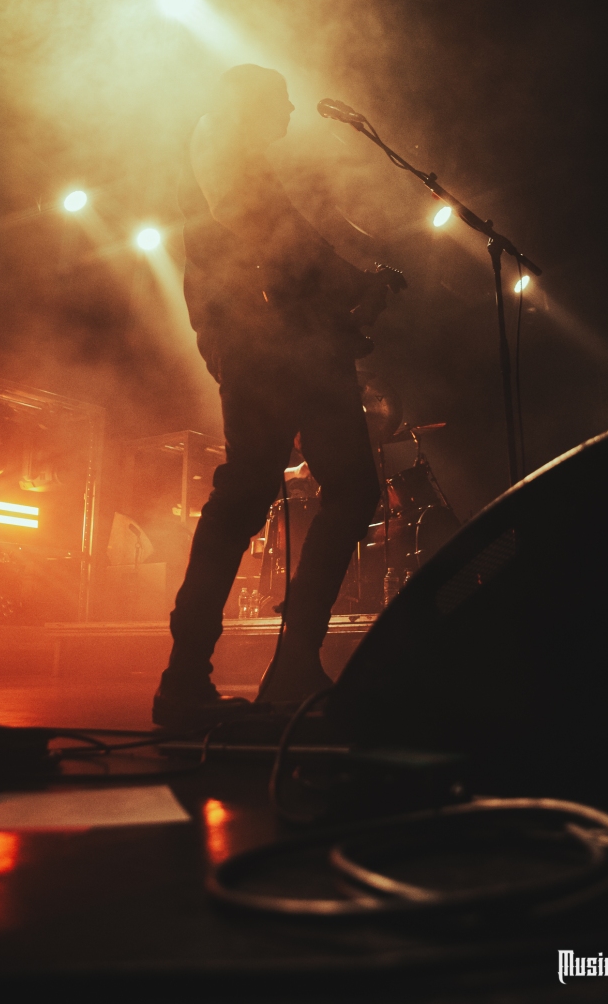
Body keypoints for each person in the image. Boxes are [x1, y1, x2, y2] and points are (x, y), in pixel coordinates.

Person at [153, 64, 397, 725]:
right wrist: (353, 283)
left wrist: (345, 304)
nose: (290, 112)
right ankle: (190, 679)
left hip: (291, 347)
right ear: (249, 103)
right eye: (280, 102)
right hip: (265, 346)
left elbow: (281, 250)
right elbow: (265, 229)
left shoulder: (240, 152)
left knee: (333, 489)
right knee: (250, 493)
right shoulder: (221, 138)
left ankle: (282, 665)